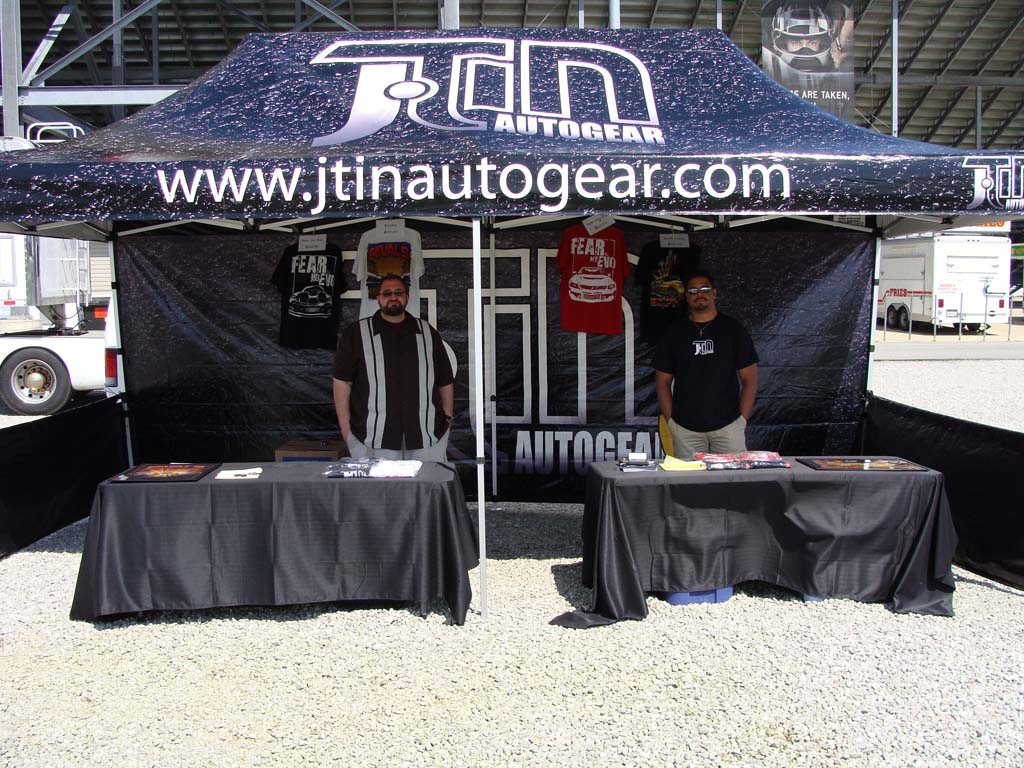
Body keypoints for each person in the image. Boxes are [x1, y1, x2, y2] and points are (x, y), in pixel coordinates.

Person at [332, 274, 454, 461]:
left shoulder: (427, 333)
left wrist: (448, 419)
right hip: (373, 439)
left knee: (427, 482)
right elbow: (342, 382)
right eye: (387, 293)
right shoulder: (356, 334)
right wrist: (346, 430)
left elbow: (445, 381)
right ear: (378, 298)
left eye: (399, 292)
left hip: (427, 438)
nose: (393, 297)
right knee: (378, 483)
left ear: (407, 297)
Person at [653, 269, 758, 460]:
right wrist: (672, 422)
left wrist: (741, 420)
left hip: (728, 427)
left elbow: (750, 379)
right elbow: (662, 382)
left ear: (714, 293)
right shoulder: (674, 333)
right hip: (686, 429)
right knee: (690, 479)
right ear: (687, 297)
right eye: (693, 291)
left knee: (733, 478)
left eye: (704, 289)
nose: (699, 294)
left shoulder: (733, 330)